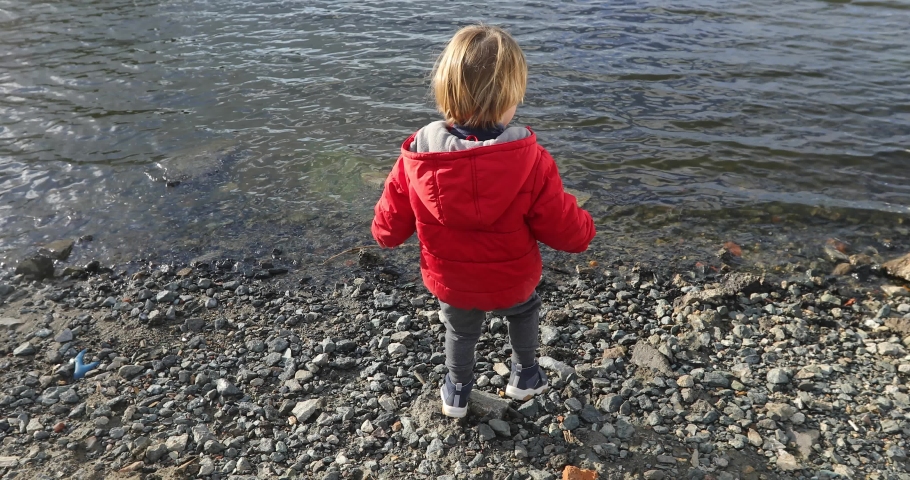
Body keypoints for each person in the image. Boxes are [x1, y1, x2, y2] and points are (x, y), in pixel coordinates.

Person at [371, 24, 595, 418]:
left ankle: (456, 391)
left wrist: (380, 230)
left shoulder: (418, 158)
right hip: (513, 278)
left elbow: (388, 232)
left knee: (459, 329)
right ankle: (525, 375)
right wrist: (586, 226)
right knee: (524, 310)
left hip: (452, 281)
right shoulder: (531, 160)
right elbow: (566, 231)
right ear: (512, 96)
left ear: (445, 91)